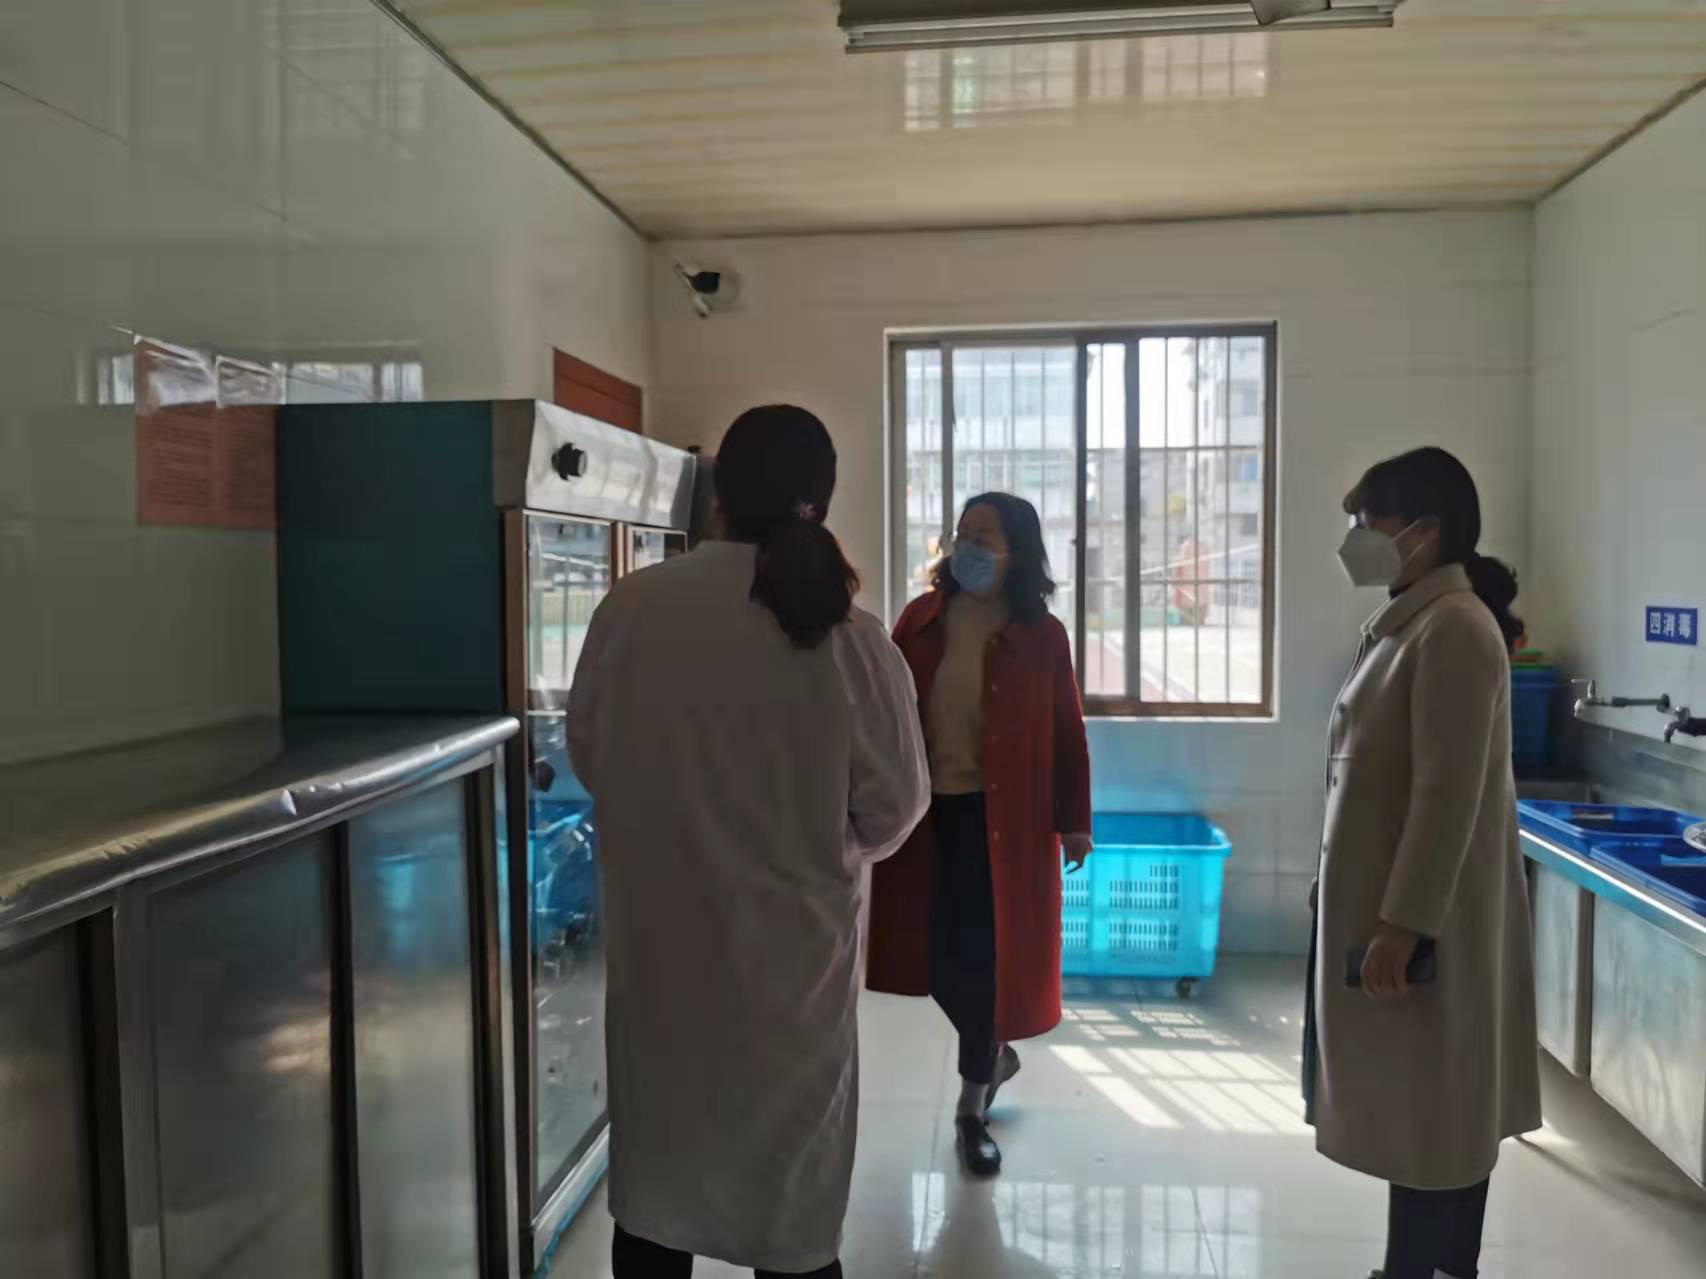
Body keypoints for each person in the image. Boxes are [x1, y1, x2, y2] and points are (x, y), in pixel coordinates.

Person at [567, 405, 930, 1279]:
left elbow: (592, 754)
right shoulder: (851, 639)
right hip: (791, 982)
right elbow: (894, 810)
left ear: (717, 493)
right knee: (791, 1217)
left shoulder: (633, 609)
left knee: (657, 1203)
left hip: (663, 969)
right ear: (822, 502)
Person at [1306, 447, 1541, 1279]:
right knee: (1429, 1108)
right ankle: (1428, 1268)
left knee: (1437, 1110)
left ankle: (1427, 1269)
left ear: (1424, 530)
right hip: (1396, 908)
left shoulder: (1456, 630)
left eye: (1367, 519)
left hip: (1428, 922)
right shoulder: (1412, 622)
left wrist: (1403, 923)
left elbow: (1447, 796)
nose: (1355, 536)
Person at [866, 493, 1093, 1177]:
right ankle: (993, 1054)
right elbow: (882, 713)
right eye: (962, 533)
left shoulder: (1043, 635)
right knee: (932, 956)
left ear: (1017, 551)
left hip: (1004, 825)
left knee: (987, 965)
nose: (967, 546)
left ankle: (971, 1108)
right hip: (922, 817)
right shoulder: (920, 619)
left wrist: (1075, 821)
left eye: (985, 536)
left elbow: (1067, 731)